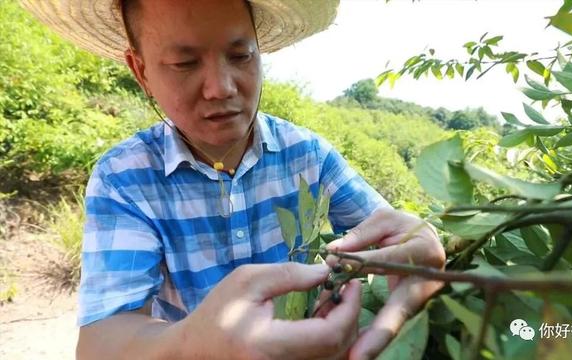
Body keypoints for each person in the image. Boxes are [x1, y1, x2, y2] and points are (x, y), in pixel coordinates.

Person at [21, 0, 445, 359]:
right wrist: (193, 342)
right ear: (141, 70)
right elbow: (101, 343)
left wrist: (418, 244)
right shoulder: (125, 180)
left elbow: (392, 234)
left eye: (241, 56)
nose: (221, 87)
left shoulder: (307, 155)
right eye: (184, 63)